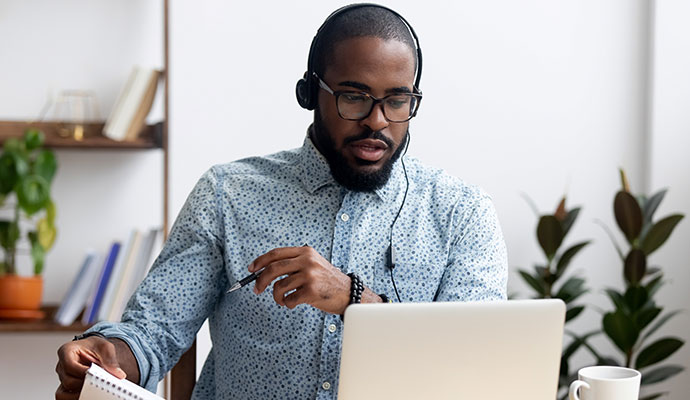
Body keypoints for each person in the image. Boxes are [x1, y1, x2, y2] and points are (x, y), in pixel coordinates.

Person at [55, 4, 507, 400]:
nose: (377, 121)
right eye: (354, 97)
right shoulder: (227, 193)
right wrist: (108, 356)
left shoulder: (462, 213)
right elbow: (153, 330)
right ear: (310, 95)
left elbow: (474, 365)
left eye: (397, 100)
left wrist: (353, 299)